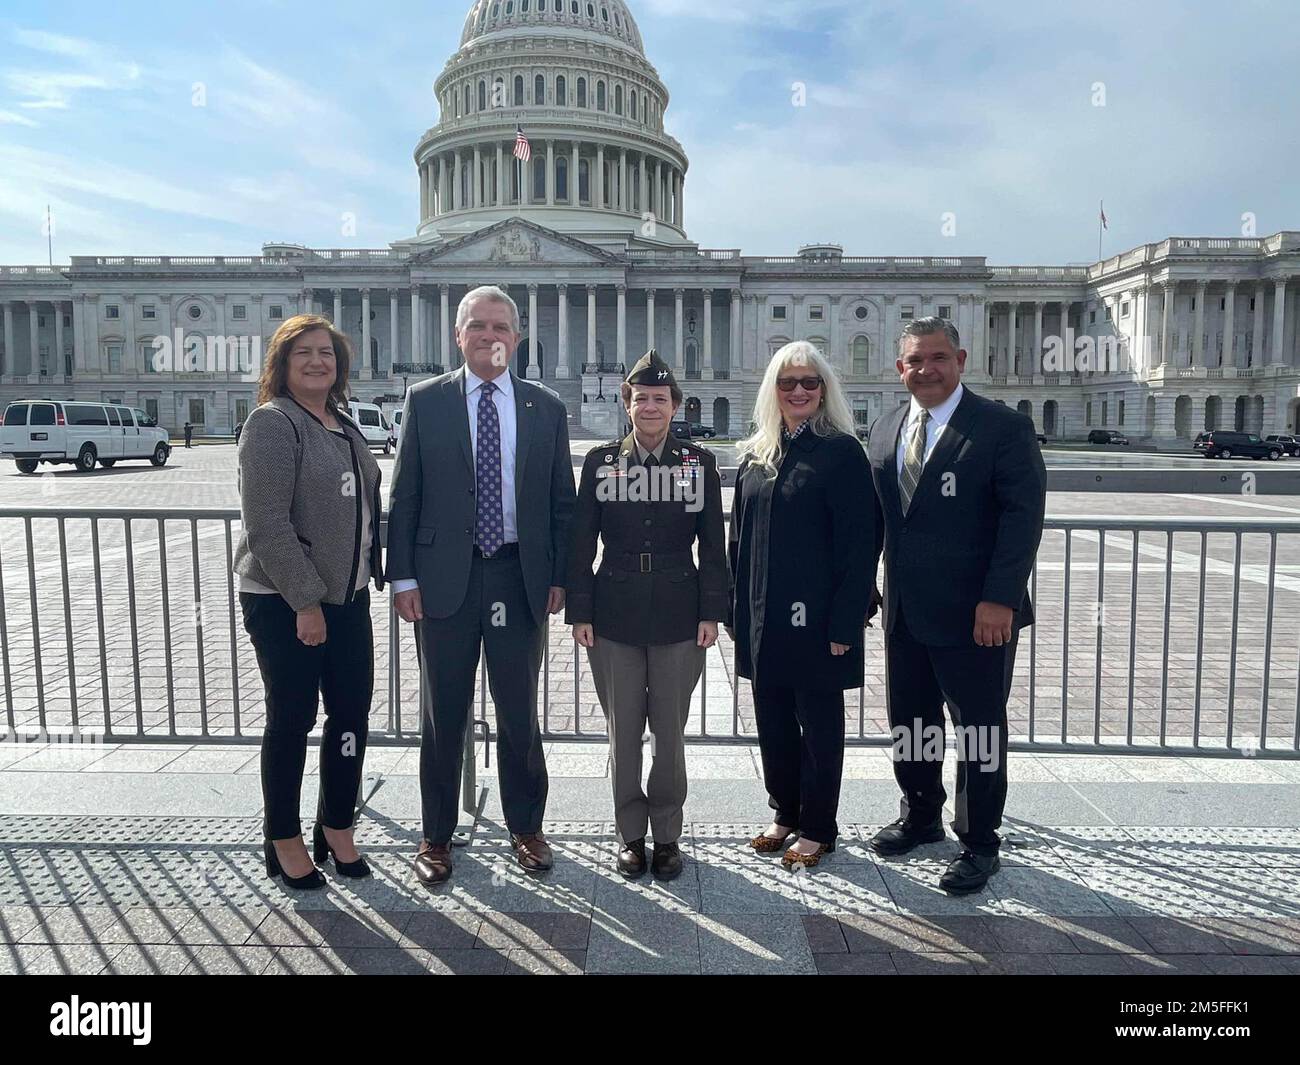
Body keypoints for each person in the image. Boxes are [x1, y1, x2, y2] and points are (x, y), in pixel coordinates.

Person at [387, 285, 576, 886]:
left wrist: (560, 576)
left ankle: (527, 826)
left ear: (516, 339)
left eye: (500, 327)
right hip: (447, 577)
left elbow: (562, 502)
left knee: (519, 710)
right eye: (477, 325)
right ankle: (436, 835)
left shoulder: (545, 407)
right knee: (443, 713)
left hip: (518, 575)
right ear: (458, 335)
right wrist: (403, 576)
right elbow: (406, 494)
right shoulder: (426, 400)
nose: (489, 336)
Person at [866, 316, 1046, 895]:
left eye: (938, 357)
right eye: (915, 360)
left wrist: (999, 599)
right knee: (911, 721)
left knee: (978, 730)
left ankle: (979, 839)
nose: (927, 369)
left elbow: (1022, 520)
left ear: (961, 361)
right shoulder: (887, 428)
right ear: (901, 368)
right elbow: (880, 518)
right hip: (906, 611)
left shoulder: (1001, 427)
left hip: (977, 616)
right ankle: (921, 814)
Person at [233, 314, 385, 891]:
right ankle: (284, 839)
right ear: (282, 363)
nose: (318, 361)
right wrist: (306, 602)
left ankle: (337, 825)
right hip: (286, 600)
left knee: (350, 716)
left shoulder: (342, 424)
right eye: (304, 353)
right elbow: (267, 525)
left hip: (347, 596)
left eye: (327, 352)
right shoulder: (272, 424)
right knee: (292, 720)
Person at [566, 351, 728, 880]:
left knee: (669, 734)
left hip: (680, 612)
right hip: (613, 612)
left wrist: (711, 612)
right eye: (641, 399)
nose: (651, 407)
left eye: (660, 398)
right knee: (623, 731)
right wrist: (580, 611)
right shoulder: (601, 462)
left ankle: (667, 835)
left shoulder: (697, 463)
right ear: (627, 404)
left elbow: (714, 545)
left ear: (674, 405)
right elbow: (581, 542)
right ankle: (630, 835)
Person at [728, 341, 877, 869]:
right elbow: (738, 540)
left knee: (818, 725)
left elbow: (861, 545)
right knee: (772, 720)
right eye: (787, 382)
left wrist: (845, 622)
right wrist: (736, 609)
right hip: (763, 615)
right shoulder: (757, 455)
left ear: (823, 389)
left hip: (817, 619)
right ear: (772, 390)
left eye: (809, 382)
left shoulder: (841, 452)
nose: (798, 391)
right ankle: (785, 811)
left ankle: (818, 826)